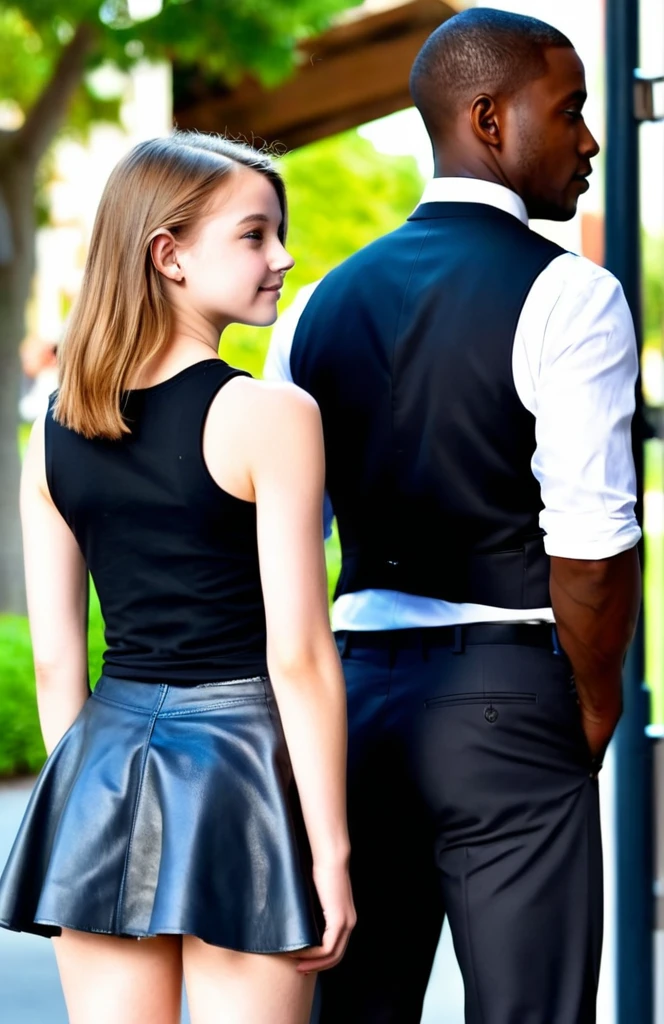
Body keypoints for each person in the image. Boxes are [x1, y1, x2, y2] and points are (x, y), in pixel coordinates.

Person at [264, 9, 641, 1023]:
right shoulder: (571, 295)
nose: (588, 139)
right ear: (487, 117)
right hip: (509, 694)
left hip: (349, 703)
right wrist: (591, 713)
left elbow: (285, 556)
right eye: (568, 113)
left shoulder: (312, 310)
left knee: (356, 1010)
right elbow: (593, 549)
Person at [0, 132, 355, 1024]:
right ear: (169, 255)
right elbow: (301, 659)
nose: (283, 257)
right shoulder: (271, 415)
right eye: (255, 234)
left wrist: (90, 799)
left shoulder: (56, 430)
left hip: (99, 767)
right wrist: (332, 851)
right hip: (243, 774)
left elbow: (56, 669)